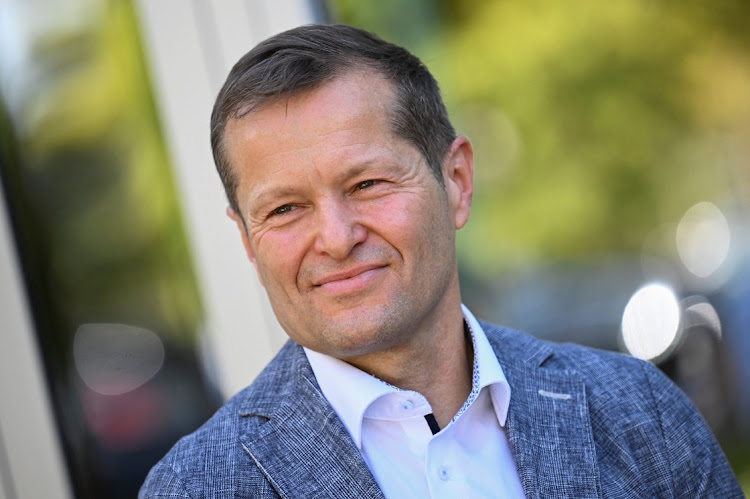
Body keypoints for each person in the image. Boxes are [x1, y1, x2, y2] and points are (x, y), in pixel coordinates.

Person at [140, 24, 742, 498]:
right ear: (247, 240)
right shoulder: (196, 488)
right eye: (284, 210)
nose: (336, 237)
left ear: (455, 181)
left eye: (368, 183)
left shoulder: (640, 414)